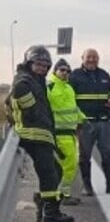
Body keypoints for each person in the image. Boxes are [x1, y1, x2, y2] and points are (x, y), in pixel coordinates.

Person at [3, 46, 74, 222]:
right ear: (29, 63)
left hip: (41, 134)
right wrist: (31, 113)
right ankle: (51, 213)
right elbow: (18, 96)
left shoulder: (36, 80)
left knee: (56, 171)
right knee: (48, 173)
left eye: (45, 65)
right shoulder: (24, 80)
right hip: (33, 134)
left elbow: (7, 103)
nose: (42, 68)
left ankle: (42, 200)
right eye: (39, 64)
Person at [70, 48, 110, 195]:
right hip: (85, 123)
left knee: (108, 154)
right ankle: (87, 187)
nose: (92, 60)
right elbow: (68, 97)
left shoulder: (104, 74)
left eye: (95, 57)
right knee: (84, 155)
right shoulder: (74, 76)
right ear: (82, 58)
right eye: (89, 57)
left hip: (104, 122)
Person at [47, 58, 84, 205]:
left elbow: (73, 108)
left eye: (68, 70)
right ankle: (62, 195)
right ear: (55, 71)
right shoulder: (49, 88)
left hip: (71, 134)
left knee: (70, 165)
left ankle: (62, 194)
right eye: (62, 70)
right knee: (68, 165)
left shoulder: (69, 88)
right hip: (58, 134)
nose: (65, 73)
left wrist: (82, 119)